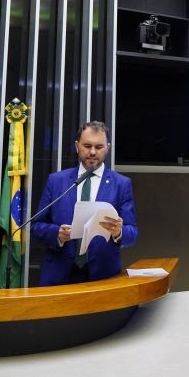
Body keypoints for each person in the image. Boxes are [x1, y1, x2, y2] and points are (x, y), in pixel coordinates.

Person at [31, 121, 138, 285]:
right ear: (77, 146)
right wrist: (56, 234)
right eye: (87, 146)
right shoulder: (56, 181)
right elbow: (36, 225)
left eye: (99, 147)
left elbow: (132, 232)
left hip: (103, 275)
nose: (93, 152)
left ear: (107, 148)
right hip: (59, 274)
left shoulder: (121, 184)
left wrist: (119, 232)